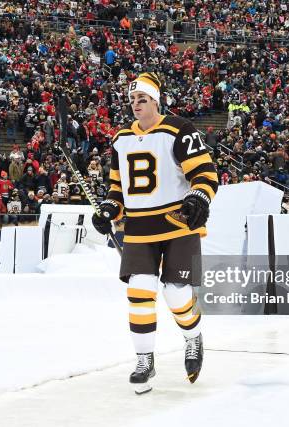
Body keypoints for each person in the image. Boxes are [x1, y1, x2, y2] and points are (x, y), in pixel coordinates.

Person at [90, 73, 218, 394]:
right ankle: (145, 359)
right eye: (132, 99)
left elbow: (205, 172)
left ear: (156, 100)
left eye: (142, 98)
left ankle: (192, 338)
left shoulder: (179, 129)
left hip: (177, 223)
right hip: (139, 227)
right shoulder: (121, 139)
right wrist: (108, 210)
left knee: (175, 294)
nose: (136, 104)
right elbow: (118, 189)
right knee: (140, 288)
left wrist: (199, 197)